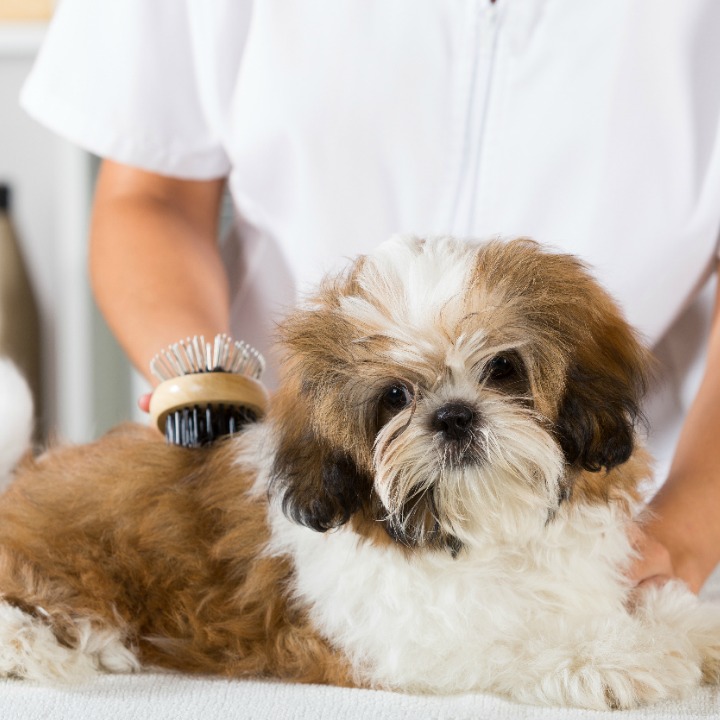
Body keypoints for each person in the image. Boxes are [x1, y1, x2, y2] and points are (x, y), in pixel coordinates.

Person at [20, 0, 720, 593]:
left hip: (621, 493)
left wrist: (686, 525)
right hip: (290, 467)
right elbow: (154, 194)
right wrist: (206, 385)